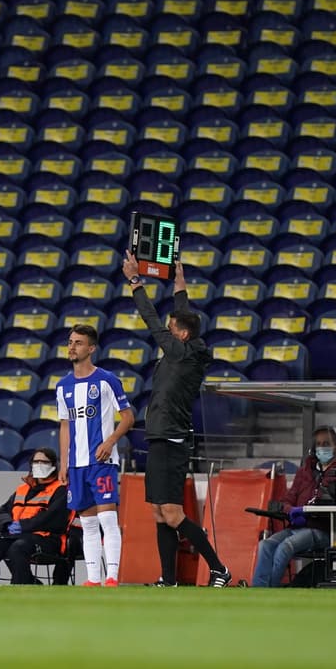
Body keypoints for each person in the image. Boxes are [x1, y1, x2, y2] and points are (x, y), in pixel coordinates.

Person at [121, 248, 232, 587]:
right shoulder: (184, 345)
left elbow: (154, 324)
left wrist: (136, 283)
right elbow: (180, 314)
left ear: (181, 335)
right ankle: (168, 580)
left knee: (172, 512)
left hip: (172, 439)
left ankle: (219, 569)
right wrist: (179, 283)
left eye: (173, 330)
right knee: (158, 512)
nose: (167, 333)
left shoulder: (183, 352)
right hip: (159, 437)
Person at [57, 323, 135, 587]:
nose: (72, 347)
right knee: (87, 523)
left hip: (101, 462)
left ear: (91, 348)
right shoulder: (63, 386)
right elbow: (65, 425)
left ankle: (112, 576)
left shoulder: (106, 380)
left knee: (107, 518)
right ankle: (93, 580)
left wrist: (111, 441)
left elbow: (128, 417)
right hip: (77, 464)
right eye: (70, 342)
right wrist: (64, 462)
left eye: (78, 343)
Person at [251, 426, 336, 588]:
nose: (322, 448)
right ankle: (258, 589)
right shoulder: (304, 471)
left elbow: (334, 503)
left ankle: (270, 589)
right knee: (266, 545)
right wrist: (290, 510)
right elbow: (287, 499)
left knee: (285, 547)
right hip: (297, 526)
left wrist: (306, 511)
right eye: (318, 444)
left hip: (325, 530)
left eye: (326, 443)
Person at [0, 447, 72, 585]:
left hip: (48, 538)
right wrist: (8, 524)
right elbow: (3, 511)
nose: (39, 465)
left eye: (44, 462)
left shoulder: (60, 489)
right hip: (18, 535)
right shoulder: (22, 489)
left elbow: (52, 518)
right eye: (36, 462)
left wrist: (22, 526)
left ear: (53, 466)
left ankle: (21, 589)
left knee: (18, 548)